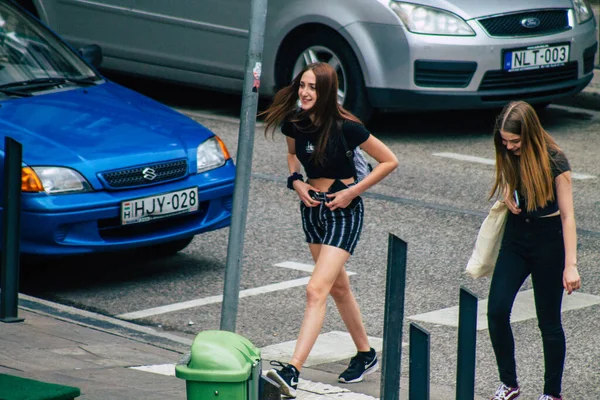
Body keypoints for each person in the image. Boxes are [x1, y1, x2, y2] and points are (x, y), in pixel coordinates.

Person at [259, 62, 398, 398]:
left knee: (315, 290)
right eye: (302, 86)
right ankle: (366, 354)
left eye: (313, 88)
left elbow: (390, 160)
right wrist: (296, 183)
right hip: (312, 211)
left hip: (344, 212)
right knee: (338, 287)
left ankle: (292, 370)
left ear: (326, 93)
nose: (305, 93)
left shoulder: (347, 127)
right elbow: (293, 157)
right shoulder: (294, 123)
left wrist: (353, 191)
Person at [486, 101, 580, 400]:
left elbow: (568, 216)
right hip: (516, 237)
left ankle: (552, 393)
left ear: (531, 135)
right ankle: (509, 383)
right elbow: (512, 180)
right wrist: (506, 193)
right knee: (497, 310)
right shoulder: (508, 152)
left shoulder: (555, 162)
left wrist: (571, 265)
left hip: (548, 241)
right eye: (505, 141)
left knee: (548, 321)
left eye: (516, 141)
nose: (510, 147)